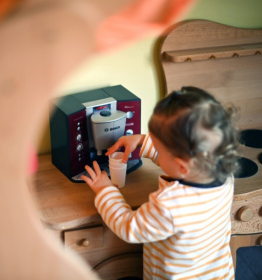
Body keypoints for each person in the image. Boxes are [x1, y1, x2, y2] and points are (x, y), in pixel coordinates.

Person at [81, 86, 240, 280]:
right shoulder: (223, 174)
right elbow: (177, 162)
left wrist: (105, 190)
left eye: (157, 148)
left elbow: (129, 227)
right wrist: (141, 142)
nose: (155, 149)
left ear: (182, 166)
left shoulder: (169, 205)